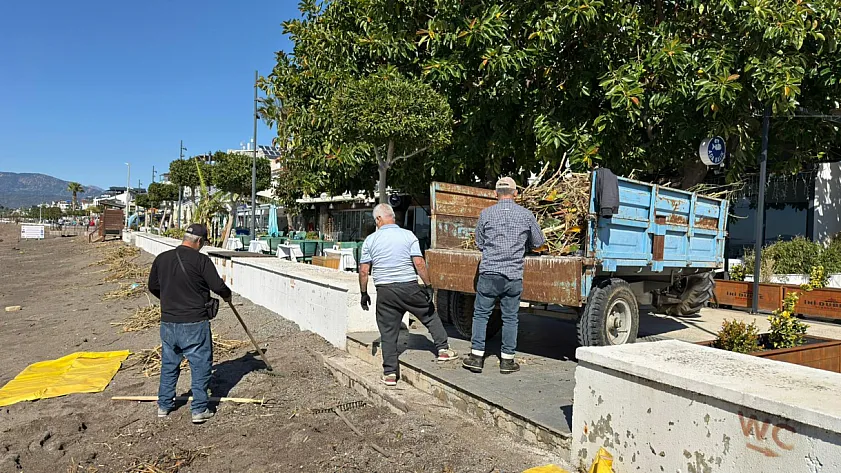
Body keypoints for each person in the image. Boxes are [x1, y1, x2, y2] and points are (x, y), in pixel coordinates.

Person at [358, 203, 457, 386]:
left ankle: (389, 374)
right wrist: (428, 285)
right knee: (429, 314)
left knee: (388, 332)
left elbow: (364, 271)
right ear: (392, 217)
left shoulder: (370, 241)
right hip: (409, 287)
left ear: (379, 219)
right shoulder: (408, 235)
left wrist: (363, 294)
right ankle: (443, 350)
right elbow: (419, 263)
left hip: (385, 292)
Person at [148, 223, 232, 424]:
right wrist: (227, 295)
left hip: (168, 322)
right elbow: (217, 286)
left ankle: (164, 405)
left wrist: (170, 300)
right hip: (194, 322)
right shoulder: (201, 260)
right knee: (200, 364)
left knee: (169, 364)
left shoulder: (162, 258)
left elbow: (153, 286)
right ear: (200, 241)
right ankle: (199, 409)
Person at [462, 177, 545, 375]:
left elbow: (480, 243)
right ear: (515, 193)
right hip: (513, 274)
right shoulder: (526, 215)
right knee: (510, 318)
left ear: (495, 193)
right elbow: (538, 242)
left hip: (489, 273)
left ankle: (476, 356)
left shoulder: (486, 214)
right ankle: (507, 361)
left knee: (481, 314)